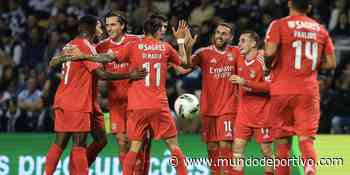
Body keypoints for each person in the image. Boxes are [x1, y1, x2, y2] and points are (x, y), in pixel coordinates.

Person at [44, 15, 146, 175]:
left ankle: (73, 169)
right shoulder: (85, 45)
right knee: (76, 143)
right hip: (76, 100)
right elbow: (101, 74)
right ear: (91, 28)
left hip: (81, 100)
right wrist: (130, 75)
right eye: (100, 26)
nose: (102, 29)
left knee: (100, 139)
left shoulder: (71, 44)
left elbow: (57, 62)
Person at [112, 17, 195, 175]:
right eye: (162, 28)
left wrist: (84, 56)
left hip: (137, 106)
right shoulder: (165, 47)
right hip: (158, 105)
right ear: (157, 31)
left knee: (134, 147)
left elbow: (112, 58)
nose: (164, 31)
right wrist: (181, 42)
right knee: (173, 145)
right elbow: (184, 65)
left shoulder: (133, 46)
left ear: (144, 32)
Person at [264, 0, 336, 174]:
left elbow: (270, 52)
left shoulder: (279, 25)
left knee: (282, 142)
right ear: (309, 8)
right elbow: (331, 63)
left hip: (282, 90)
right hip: (308, 91)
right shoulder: (320, 29)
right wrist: (311, 66)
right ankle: (310, 169)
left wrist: (268, 65)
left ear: (289, 4)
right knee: (306, 140)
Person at [95, 11, 149, 174]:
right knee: (122, 141)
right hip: (116, 101)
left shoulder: (136, 40)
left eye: (113, 24)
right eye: (107, 25)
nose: (109, 28)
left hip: (137, 100)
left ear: (122, 25)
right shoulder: (101, 47)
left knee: (139, 142)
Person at [189, 23, 240, 174]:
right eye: (218, 32)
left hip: (229, 107)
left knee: (225, 145)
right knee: (212, 147)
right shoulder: (203, 52)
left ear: (231, 37)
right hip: (208, 108)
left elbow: (253, 58)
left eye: (224, 34)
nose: (219, 36)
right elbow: (184, 65)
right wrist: (185, 46)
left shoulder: (236, 52)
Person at [230, 31, 273, 175]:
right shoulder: (239, 59)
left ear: (253, 43)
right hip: (244, 115)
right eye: (239, 40)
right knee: (237, 149)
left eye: (243, 41)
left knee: (266, 151)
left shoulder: (263, 60)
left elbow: (270, 87)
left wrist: (245, 82)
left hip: (262, 114)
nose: (239, 43)